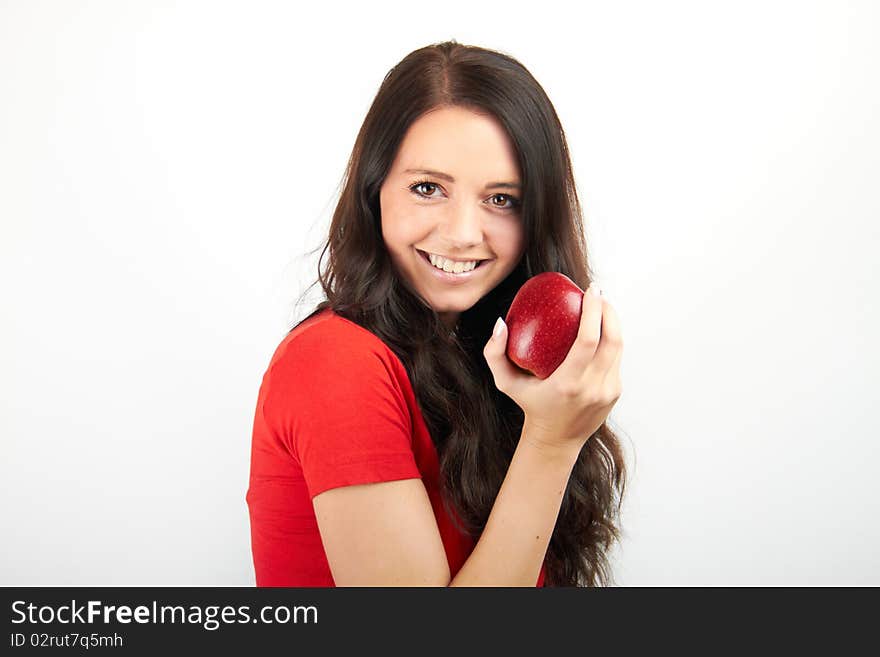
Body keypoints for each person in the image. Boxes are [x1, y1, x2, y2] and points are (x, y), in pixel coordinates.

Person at [246, 40, 627, 587]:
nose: (462, 234)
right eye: (428, 188)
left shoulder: (480, 358)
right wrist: (552, 442)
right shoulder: (335, 362)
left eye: (502, 200)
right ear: (374, 189)